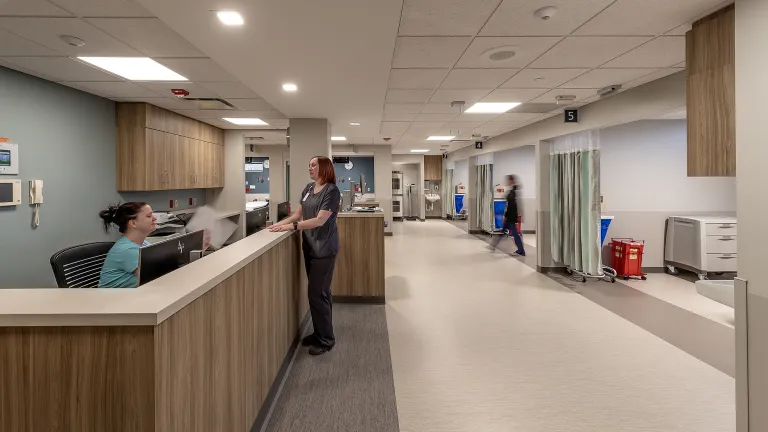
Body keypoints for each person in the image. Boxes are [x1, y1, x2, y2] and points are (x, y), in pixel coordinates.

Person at [269, 156, 341, 356]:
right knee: (319, 293)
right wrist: (280, 224)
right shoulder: (309, 189)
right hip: (309, 247)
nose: (309, 167)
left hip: (325, 249)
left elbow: (319, 221)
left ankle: (327, 339)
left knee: (318, 294)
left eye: (313, 165)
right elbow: (298, 214)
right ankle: (320, 332)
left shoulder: (331, 191)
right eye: (308, 164)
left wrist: (292, 226)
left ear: (324, 168)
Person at [98, 202, 157, 288]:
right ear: (133, 223)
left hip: (132, 295)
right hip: (113, 299)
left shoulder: (144, 244)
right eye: (149, 216)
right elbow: (157, 274)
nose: (154, 218)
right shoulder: (127, 250)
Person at [489, 175, 526, 256]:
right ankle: (493, 246)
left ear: (511, 181)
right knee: (504, 231)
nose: (506, 182)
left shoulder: (513, 192)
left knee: (515, 234)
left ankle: (521, 250)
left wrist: (507, 216)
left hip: (511, 217)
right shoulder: (512, 190)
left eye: (508, 180)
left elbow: (512, 206)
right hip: (510, 216)